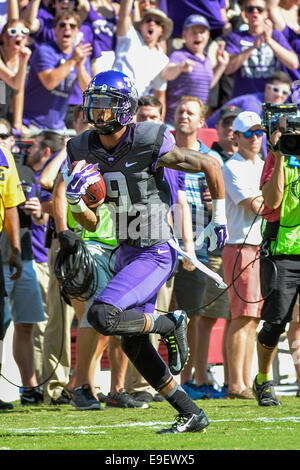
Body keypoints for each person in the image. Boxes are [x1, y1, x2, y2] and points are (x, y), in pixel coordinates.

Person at [60, 69, 228, 433]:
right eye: (95, 104)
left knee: (102, 316)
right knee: (133, 343)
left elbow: (211, 164)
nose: (98, 112)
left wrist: (218, 219)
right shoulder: (80, 147)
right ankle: (191, 413)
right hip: (125, 250)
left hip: (155, 250)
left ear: (125, 109)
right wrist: (75, 202)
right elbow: (90, 223)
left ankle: (171, 322)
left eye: (107, 105)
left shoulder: (149, 138)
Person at [51, 105, 147, 410]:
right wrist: (65, 232)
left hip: (125, 241)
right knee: (94, 316)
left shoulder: (129, 151)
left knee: (121, 319)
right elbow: (58, 191)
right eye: (94, 114)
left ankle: (117, 389)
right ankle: (82, 387)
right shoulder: (80, 152)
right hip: (93, 241)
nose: (99, 119)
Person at [124, 94, 195, 403]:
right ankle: (127, 386)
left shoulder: (169, 153)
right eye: (144, 116)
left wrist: (187, 244)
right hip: (127, 242)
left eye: (154, 117)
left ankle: (147, 385)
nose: (148, 121)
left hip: (162, 246)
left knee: (153, 315)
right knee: (122, 317)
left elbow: (179, 202)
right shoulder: (128, 152)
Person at [168, 95, 226, 400]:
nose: (184, 116)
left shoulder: (210, 159)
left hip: (198, 245)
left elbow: (221, 204)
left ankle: (187, 378)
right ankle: (164, 379)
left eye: (191, 112)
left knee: (189, 314)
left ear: (202, 122)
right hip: (165, 239)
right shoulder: (165, 151)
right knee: (161, 311)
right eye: (180, 111)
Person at [252, 123, 300, 406]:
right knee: (275, 322)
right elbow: (272, 200)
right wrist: (280, 154)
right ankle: (262, 379)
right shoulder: (276, 156)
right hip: (282, 250)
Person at [0, 129, 46, 405]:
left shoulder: (18, 168)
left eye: (4, 134)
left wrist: (16, 249)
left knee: (26, 322)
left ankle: (30, 388)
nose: (1, 139)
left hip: (21, 255)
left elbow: (12, 209)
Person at [222, 111, 265, 399]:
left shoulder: (265, 165)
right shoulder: (231, 166)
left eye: (259, 132)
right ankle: (236, 384)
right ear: (235, 137)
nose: (256, 138)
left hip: (259, 246)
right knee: (243, 316)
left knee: (252, 318)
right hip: (241, 245)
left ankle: (243, 381)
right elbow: (257, 206)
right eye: (249, 133)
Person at [22, 10, 92, 133]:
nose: (67, 28)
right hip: (32, 124)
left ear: (78, 32)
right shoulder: (44, 51)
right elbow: (49, 82)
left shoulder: (79, 54)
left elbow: (88, 91)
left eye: (72, 26)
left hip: (58, 127)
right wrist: (73, 60)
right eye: (62, 25)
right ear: (55, 30)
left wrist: (80, 66)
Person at [161, 14, 229, 127]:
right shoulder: (179, 55)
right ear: (184, 34)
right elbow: (166, 74)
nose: (198, 35)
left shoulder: (207, 58)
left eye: (202, 32)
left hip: (195, 123)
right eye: (194, 32)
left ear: (208, 36)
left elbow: (208, 84)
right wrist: (180, 67)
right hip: (175, 123)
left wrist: (221, 65)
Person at [224, 0, 298, 98]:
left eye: (260, 9)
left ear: (266, 14)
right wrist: (252, 48)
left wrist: (269, 41)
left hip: (271, 99)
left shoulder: (275, 36)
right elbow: (228, 69)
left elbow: (293, 63)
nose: (255, 13)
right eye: (250, 9)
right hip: (244, 98)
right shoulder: (235, 37)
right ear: (244, 14)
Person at [113, 0, 173, 112]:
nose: (152, 23)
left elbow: (160, 95)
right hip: (113, 98)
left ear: (162, 30)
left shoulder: (163, 59)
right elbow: (123, 16)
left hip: (136, 109)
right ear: (141, 25)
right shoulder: (130, 36)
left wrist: (160, 124)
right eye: (148, 20)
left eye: (158, 22)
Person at [0, 141, 25, 410]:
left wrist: (15, 248)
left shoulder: (5, 157)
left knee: (2, 319)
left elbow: (10, 206)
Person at [0, 18, 32, 130]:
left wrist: (17, 122)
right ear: (4, 37)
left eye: (23, 32)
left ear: (26, 39)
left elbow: (19, 91)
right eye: (13, 32)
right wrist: (24, 62)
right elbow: (15, 83)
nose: (19, 36)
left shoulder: (21, 58)